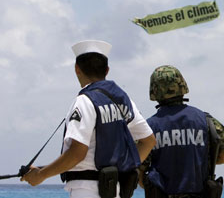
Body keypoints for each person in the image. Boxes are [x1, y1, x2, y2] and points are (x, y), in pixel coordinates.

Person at [21, 40, 156, 198]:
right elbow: (148, 141)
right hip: (114, 189)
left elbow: (77, 153)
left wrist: (41, 175)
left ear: (77, 69)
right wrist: (124, 167)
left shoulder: (84, 101)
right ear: (107, 70)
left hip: (86, 190)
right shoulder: (122, 99)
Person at [140, 65, 224, 198]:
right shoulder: (206, 120)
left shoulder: (148, 127)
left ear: (154, 91)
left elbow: (139, 169)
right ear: (182, 86)